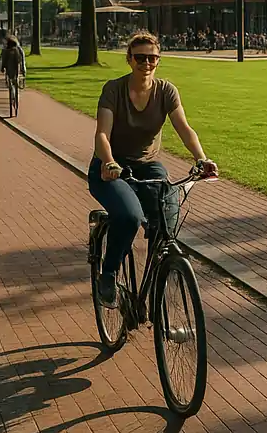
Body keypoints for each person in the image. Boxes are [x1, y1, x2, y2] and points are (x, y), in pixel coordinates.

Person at [89, 31, 217, 305]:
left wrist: (201, 159)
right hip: (111, 167)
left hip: (148, 167)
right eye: (140, 58)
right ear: (129, 59)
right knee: (129, 217)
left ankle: (156, 279)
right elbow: (102, 134)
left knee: (166, 219)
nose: (146, 63)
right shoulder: (114, 89)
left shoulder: (166, 91)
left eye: (152, 58)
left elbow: (184, 128)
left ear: (158, 60)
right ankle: (108, 273)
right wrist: (109, 162)